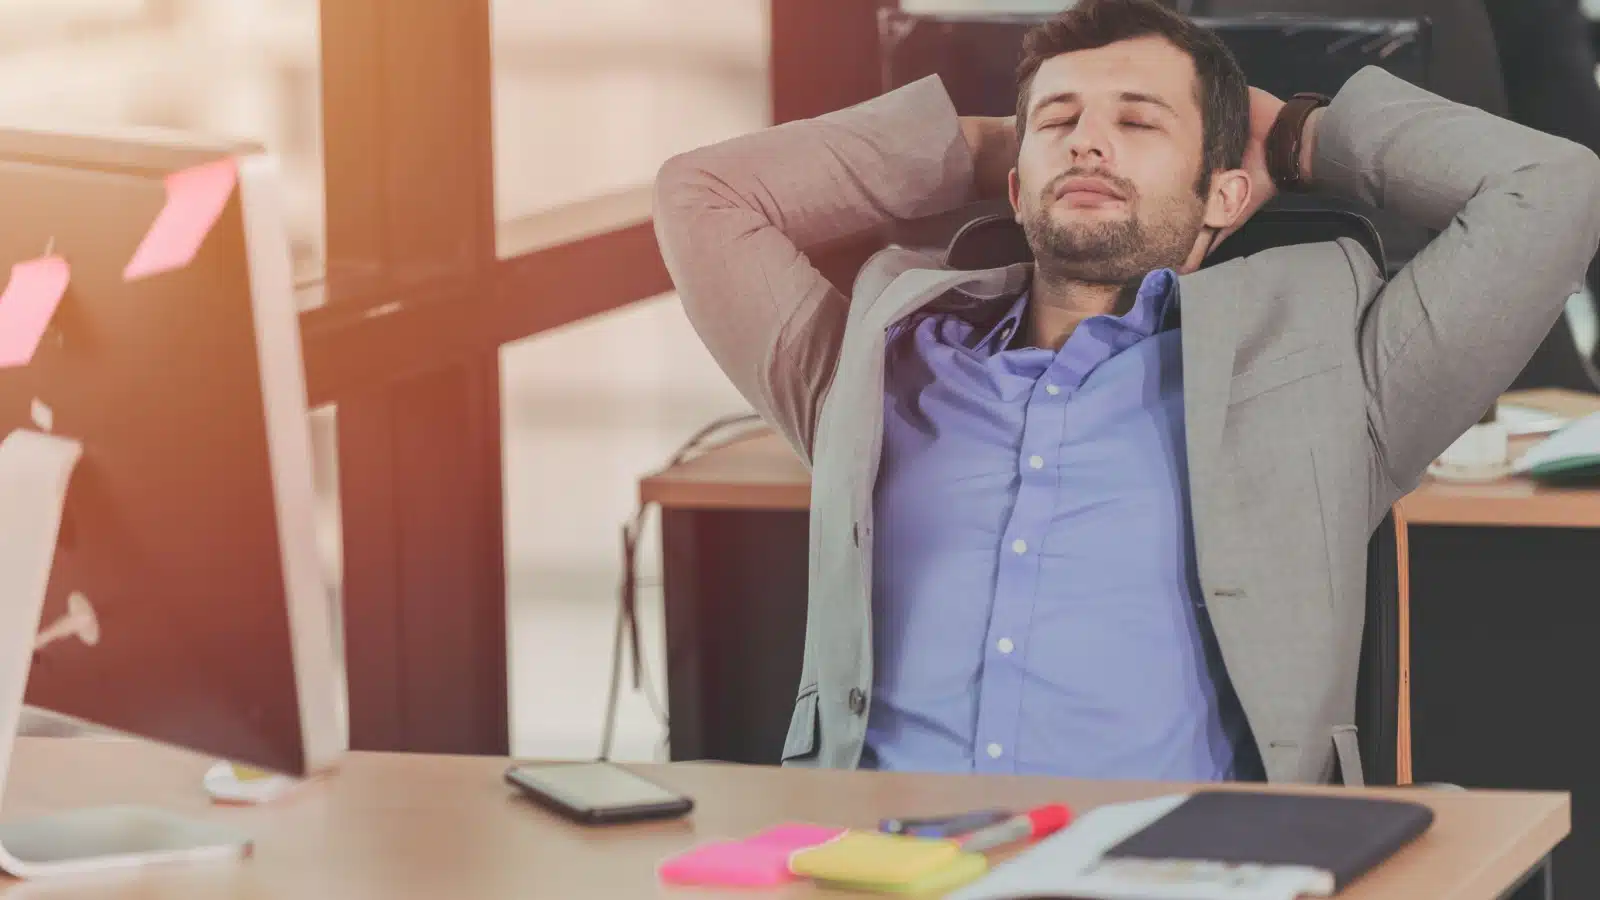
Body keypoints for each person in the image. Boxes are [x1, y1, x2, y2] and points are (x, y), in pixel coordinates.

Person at [652, 0, 1600, 784]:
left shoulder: (1330, 375)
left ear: (1224, 197)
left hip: (1175, 872)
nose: (1091, 145)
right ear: (1016, 187)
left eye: (1138, 122)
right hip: (880, 870)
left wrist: (1305, 135)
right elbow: (702, 196)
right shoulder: (876, 359)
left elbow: (1553, 189)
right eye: (1061, 122)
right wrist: (993, 148)